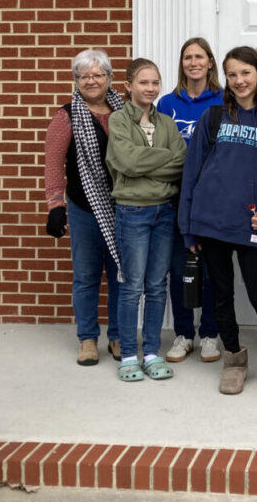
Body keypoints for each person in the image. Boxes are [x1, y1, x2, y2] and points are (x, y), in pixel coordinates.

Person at [178, 46, 257, 395]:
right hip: (211, 223)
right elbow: (191, 173)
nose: (239, 80)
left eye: (245, 73)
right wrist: (188, 226)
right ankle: (234, 360)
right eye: (232, 74)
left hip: (254, 223)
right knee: (220, 294)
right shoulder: (213, 117)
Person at [106, 58, 186, 382]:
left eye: (155, 82)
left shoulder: (167, 122)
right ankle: (128, 355)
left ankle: (151, 352)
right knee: (131, 286)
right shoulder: (118, 121)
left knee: (156, 287)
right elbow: (126, 161)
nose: (151, 88)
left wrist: (146, 166)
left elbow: (181, 160)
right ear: (128, 85)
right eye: (144, 82)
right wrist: (158, 164)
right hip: (133, 212)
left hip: (164, 212)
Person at [43, 49, 125, 366]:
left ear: (109, 78)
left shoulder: (126, 111)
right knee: (87, 276)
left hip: (124, 207)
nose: (91, 80)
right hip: (83, 208)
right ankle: (88, 338)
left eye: (97, 74)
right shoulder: (66, 116)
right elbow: (53, 165)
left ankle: (118, 336)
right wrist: (55, 206)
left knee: (121, 274)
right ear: (76, 81)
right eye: (83, 76)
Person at [156, 38, 223, 364]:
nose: (193, 63)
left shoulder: (225, 101)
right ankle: (183, 334)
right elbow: (158, 152)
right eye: (187, 58)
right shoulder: (167, 104)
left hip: (212, 201)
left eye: (199, 57)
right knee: (178, 268)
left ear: (210, 62)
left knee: (212, 270)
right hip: (175, 198)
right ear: (181, 64)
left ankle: (210, 334)